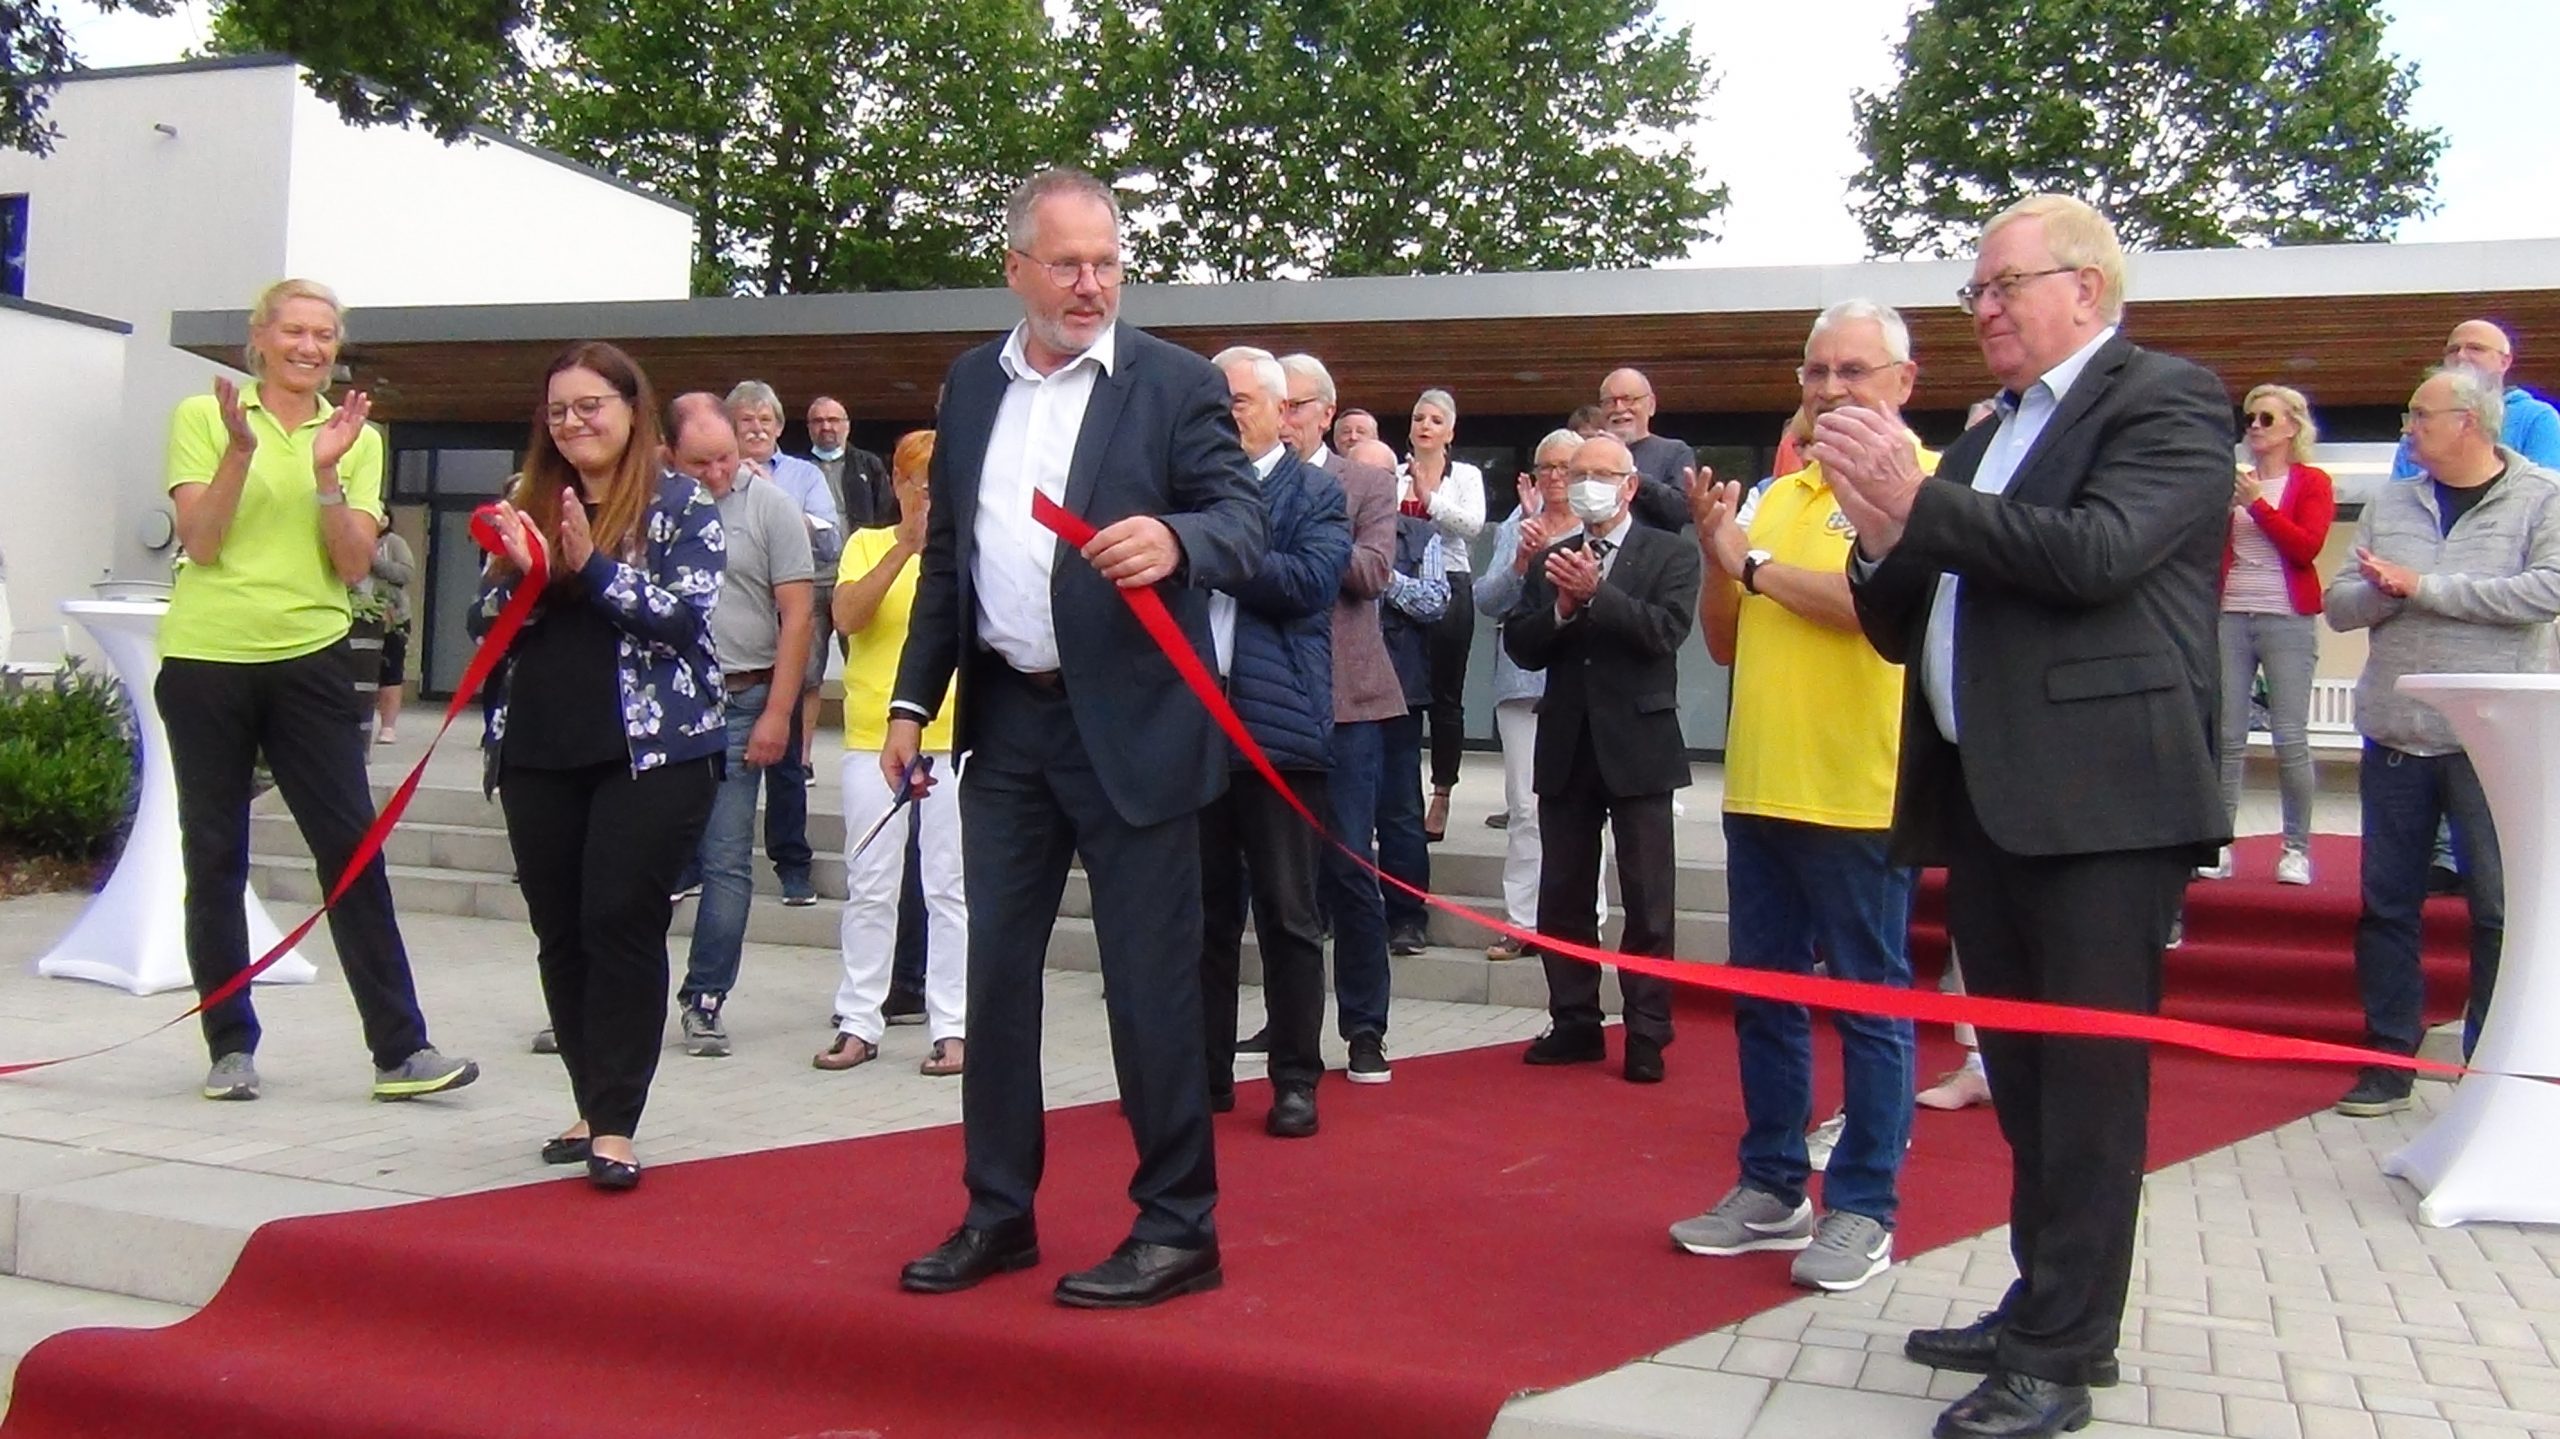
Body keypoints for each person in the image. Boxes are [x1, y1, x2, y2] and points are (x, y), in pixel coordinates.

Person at [1828, 195, 2231, 1439]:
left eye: (2003, 286)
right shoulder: (1993, 425)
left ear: (2087, 290)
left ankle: (2063, 1351)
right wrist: (1878, 531)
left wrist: (1920, 499)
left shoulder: (2164, 397)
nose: (1983, 309)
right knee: (2023, 1070)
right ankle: (2038, 1301)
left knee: (2088, 1081)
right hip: (1991, 790)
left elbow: (2098, 554)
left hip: (2100, 797)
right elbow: (1908, 610)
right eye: (1975, 291)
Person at [884, 167, 1264, 1311]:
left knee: (1149, 986)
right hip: (1006, 726)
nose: (1091, 282)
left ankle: (1176, 1226)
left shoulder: (1176, 384)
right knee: (995, 979)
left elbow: (1244, 520)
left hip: (1137, 730)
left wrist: (1178, 536)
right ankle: (998, 1211)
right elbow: (950, 558)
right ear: (1016, 270)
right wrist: (913, 701)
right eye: (1067, 263)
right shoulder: (967, 384)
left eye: (1106, 260)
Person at [159, 277, 476, 1105]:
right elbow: (202, 539)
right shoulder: (204, 418)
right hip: (207, 657)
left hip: (310, 658)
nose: (309, 347)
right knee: (214, 853)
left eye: (323, 335)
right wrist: (238, 453)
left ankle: (400, 1048)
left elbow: (349, 563)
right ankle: (230, 1047)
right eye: (293, 331)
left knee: (350, 851)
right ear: (259, 337)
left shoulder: (356, 434)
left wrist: (328, 473)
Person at [1670, 300, 1928, 1294]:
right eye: (1815, 371)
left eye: (1853, 371)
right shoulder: (1778, 494)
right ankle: (1772, 1182)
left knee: (1868, 1004)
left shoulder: (1921, 490)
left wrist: (1753, 563)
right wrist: (1715, 553)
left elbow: (1870, 613)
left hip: (1860, 792)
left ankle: (1864, 1204)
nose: (1828, 390)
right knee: (1765, 999)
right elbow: (1728, 638)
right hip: (1762, 786)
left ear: (1903, 383)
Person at [475, 341, 724, 1190]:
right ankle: (588, 1094)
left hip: (651, 748)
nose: (574, 422)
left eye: (591, 406)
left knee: (621, 918)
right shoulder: (527, 499)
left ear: (630, 409)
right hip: (539, 740)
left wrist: (594, 567)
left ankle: (616, 1120)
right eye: (559, 411)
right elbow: (481, 614)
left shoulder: (683, 503)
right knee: (561, 926)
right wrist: (522, 567)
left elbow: (682, 618)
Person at [2326, 366, 2560, 1117]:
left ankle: (2492, 1068)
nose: (2407, 427)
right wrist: (2381, 592)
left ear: (2468, 422)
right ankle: (2385, 1059)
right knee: (2386, 902)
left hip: (2494, 744)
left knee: (2497, 906)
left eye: (2420, 414)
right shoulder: (2392, 499)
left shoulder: (2542, 497)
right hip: (2397, 733)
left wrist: (2424, 587)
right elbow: (2338, 607)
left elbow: (2546, 591)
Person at [1504, 433, 1700, 1085]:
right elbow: (1523, 646)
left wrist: (1598, 596)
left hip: (1640, 745)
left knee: (1648, 898)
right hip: (1566, 742)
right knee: (1562, 892)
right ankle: (1575, 1021)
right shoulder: (1551, 557)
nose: (1585, 483)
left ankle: (1646, 1031)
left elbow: (1665, 631)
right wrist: (1561, 608)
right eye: (1577, 472)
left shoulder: (1670, 553)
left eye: (1601, 473)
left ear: (1630, 485)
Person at [1199, 346, 1351, 1135]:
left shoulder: (1316, 492)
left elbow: (1308, 585)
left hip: (1279, 734)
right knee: (1202, 917)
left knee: (1290, 914)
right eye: (1214, 401)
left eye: (1240, 401)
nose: (1227, 414)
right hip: (1192, 735)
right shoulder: (1181, 493)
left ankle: (1295, 1075)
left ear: (1280, 411)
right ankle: (1204, 1074)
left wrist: (1216, 553)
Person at [667, 393, 815, 1058]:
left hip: (740, 698)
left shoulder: (771, 508)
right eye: (699, 462)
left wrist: (780, 713)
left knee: (727, 858)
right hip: (661, 704)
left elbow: (799, 617)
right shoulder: (652, 505)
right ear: (669, 454)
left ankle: (705, 998)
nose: (717, 472)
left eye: (725, 457)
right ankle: (601, 993)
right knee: (632, 857)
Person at [827, 430, 967, 1076]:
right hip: (871, 737)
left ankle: (954, 1024)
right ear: (900, 485)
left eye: (944, 483)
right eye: (922, 483)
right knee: (871, 882)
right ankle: (859, 1019)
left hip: (953, 737)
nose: (932, 496)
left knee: (950, 887)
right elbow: (848, 618)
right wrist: (904, 547)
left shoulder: (970, 550)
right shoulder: (867, 543)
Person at [1280, 353, 1402, 1084]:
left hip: (1348, 705)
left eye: (1297, 406)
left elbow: (1373, 572)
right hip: (1266, 701)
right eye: (1277, 405)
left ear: (1327, 412)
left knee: (1349, 867)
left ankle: (1365, 1027)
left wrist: (1309, 541)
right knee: (1275, 873)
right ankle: (1289, 1020)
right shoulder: (1244, 482)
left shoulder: (1366, 480)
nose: (1286, 417)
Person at [2201, 384, 2335, 885]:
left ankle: (2296, 847)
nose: (2254, 428)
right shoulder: (2236, 483)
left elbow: (2306, 548)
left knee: (2290, 736)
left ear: (2293, 427)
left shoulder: (2312, 482)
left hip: (2286, 617)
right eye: (2250, 419)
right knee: (2227, 735)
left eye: (2266, 419)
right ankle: (2218, 842)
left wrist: (2260, 506)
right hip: (2232, 614)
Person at [1472, 430, 1582, 962]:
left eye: (1566, 467)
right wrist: (1520, 562)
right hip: (1523, 685)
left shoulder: (1599, 525)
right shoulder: (1520, 524)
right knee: (1525, 807)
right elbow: (1486, 600)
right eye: (1546, 467)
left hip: (1584, 682)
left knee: (1584, 808)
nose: (1556, 477)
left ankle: (1584, 927)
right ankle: (1522, 922)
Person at [728, 380, 836, 903]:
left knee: (787, 760)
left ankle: (793, 863)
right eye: (745, 420)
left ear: (779, 426)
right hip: (729, 633)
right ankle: (694, 867)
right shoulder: (713, 475)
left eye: (765, 420)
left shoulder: (802, 475)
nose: (756, 429)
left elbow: (828, 535)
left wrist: (769, 501)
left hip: (788, 623)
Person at [1362, 435, 1451, 963]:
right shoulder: (1325, 529)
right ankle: (1332, 909)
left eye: (1382, 477)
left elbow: (1435, 600)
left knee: (1398, 808)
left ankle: (1407, 917)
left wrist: (1382, 574)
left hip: (1398, 688)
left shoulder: (1421, 535)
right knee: (1335, 809)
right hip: (1333, 691)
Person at [1400, 389, 1485, 841]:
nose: (1425, 426)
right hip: (1400, 590)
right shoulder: (1394, 473)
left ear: (1450, 431)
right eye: (1419, 418)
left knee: (1445, 697)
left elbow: (1472, 526)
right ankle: (1401, 797)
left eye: (1436, 420)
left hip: (1451, 584)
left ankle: (1442, 794)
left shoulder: (1466, 476)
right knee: (1402, 695)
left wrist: (1428, 499)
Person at [2388, 320, 2560, 479]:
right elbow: (2397, 499)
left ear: (2504, 361)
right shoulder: (2419, 426)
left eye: (2475, 348)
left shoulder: (2536, 418)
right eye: (2453, 350)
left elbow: (2547, 494)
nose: (2461, 356)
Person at [1598, 367, 1698, 531]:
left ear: (1651, 405)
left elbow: (1682, 511)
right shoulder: (1590, 455)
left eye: (1628, 399)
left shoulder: (1674, 452)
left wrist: (1631, 472)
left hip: (1655, 553)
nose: (1619, 408)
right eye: (1610, 401)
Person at [807, 394, 897, 531]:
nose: (825, 427)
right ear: (809, 427)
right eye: (818, 421)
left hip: (859, 549)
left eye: (833, 420)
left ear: (847, 426)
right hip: (812, 549)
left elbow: (886, 512)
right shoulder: (797, 468)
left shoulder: (868, 464)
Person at [363, 519, 416, 744]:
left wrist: (374, 561)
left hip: (392, 616)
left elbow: (406, 574)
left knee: (390, 671)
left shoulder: (394, 542)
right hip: (359, 614)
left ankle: (388, 726)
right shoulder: (354, 536)